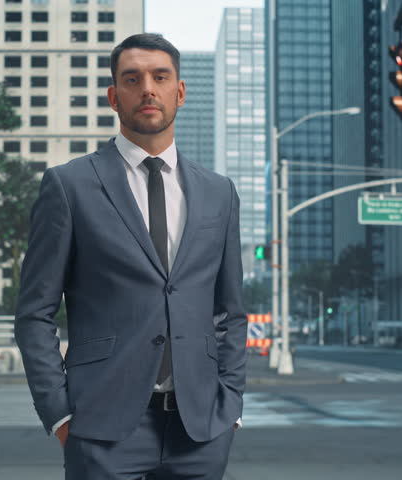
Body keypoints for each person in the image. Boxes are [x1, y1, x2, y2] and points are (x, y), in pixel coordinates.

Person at [15, 33, 246, 480]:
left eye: (160, 77)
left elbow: (230, 311)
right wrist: (60, 414)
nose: (147, 89)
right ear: (113, 97)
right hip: (101, 428)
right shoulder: (70, 186)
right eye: (132, 78)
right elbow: (35, 312)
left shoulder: (220, 193)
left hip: (200, 430)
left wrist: (230, 403)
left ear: (179, 92)